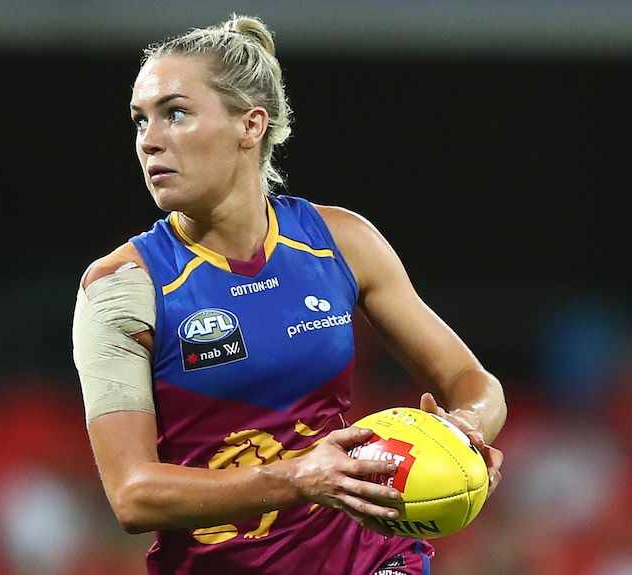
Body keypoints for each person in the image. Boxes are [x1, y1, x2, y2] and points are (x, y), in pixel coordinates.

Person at [71, 13, 507, 575]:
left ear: (250, 126)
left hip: (369, 559)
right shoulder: (121, 288)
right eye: (140, 121)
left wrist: (463, 429)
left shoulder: (342, 242)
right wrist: (300, 478)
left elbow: (473, 383)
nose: (149, 141)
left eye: (175, 113)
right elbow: (133, 495)